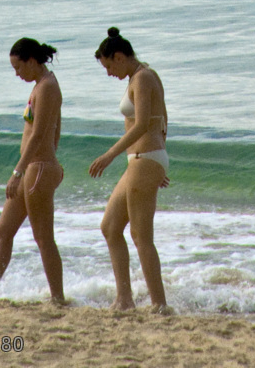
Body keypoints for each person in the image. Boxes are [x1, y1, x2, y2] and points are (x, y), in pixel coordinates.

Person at [88, 25, 170, 312]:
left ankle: (159, 304)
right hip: (144, 161)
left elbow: (146, 123)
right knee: (110, 227)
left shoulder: (144, 77)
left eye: (109, 66)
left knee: (140, 235)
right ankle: (124, 299)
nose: (109, 73)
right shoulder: (142, 75)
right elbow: (163, 119)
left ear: (120, 56)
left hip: (144, 159)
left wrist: (111, 154)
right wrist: (157, 162)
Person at [0, 37, 65, 303]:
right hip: (34, 167)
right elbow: (54, 131)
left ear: (31, 61)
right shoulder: (40, 86)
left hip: (37, 169)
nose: (17, 74)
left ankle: (58, 298)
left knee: (43, 238)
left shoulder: (48, 87)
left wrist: (19, 172)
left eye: (18, 68)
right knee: (4, 229)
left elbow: (40, 134)